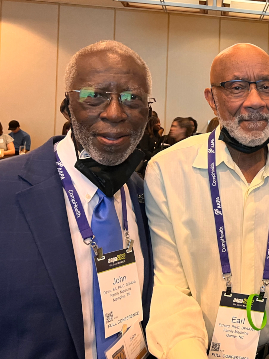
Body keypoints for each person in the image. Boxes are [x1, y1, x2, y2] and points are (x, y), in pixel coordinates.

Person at [144, 43, 269, 358]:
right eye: (236, 88)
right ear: (212, 99)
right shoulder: (168, 170)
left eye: (266, 87)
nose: (255, 102)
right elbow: (169, 287)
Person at [0, 40, 154, 359]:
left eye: (132, 98)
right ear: (67, 106)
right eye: (94, 96)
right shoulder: (5, 189)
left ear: (148, 112)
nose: (114, 112)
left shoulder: (146, 196)